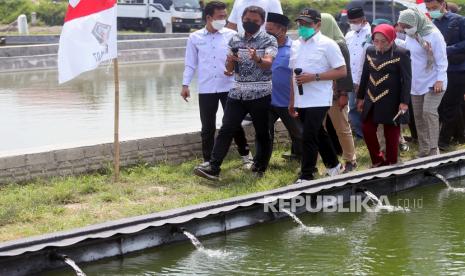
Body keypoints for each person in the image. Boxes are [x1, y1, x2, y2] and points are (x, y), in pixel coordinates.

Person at [194, 6, 278, 180]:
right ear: (242, 19)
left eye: (255, 21)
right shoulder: (235, 39)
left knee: (262, 132)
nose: (250, 23)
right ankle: (214, 167)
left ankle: (260, 167)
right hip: (237, 92)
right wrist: (230, 62)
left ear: (262, 22)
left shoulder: (268, 40)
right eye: (247, 20)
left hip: (260, 93)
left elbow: (268, 63)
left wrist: (257, 58)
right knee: (227, 128)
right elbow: (229, 69)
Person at [182, 1, 252, 170]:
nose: (224, 19)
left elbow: (241, 60)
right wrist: (185, 85)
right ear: (209, 17)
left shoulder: (232, 35)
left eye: (225, 16)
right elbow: (190, 64)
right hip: (206, 88)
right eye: (220, 16)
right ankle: (208, 160)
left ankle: (246, 156)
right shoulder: (195, 37)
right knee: (207, 126)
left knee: (233, 123)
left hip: (229, 87)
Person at [288, 8, 347, 181]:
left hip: (320, 98)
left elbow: (342, 71)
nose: (302, 26)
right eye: (300, 23)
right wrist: (291, 100)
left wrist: (314, 77)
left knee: (308, 136)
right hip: (301, 98)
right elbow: (293, 74)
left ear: (318, 25)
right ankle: (334, 165)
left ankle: (306, 175)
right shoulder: (296, 44)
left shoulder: (328, 44)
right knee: (318, 133)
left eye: (307, 23)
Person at [357, 24, 412, 166]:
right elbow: (365, 75)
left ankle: (392, 162)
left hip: (391, 98)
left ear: (392, 39)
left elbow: (407, 79)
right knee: (366, 128)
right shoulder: (370, 50)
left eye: (383, 41)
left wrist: (404, 102)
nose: (379, 45)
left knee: (391, 132)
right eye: (376, 41)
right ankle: (377, 160)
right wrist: (361, 97)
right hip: (371, 97)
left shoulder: (401, 53)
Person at [398, 8, 448, 157]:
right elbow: (409, 50)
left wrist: (440, 79)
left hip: (434, 81)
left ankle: (434, 149)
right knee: (418, 116)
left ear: (416, 22)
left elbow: (442, 60)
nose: (405, 30)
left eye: (407, 26)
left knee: (429, 112)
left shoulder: (434, 35)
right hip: (416, 82)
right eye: (403, 27)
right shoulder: (412, 35)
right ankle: (424, 149)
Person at [320, 13, 358, 172]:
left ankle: (350, 159)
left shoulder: (339, 44)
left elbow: (346, 71)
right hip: (319, 92)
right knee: (317, 129)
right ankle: (320, 162)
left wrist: (343, 94)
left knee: (341, 127)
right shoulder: (318, 43)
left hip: (336, 93)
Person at [425, 0, 465, 150]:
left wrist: (447, 50)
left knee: (451, 106)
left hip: (457, 69)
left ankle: (443, 141)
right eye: (429, 8)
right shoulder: (431, 24)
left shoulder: (459, 21)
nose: (432, 10)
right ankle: (458, 135)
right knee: (440, 106)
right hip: (438, 72)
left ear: (443, 4)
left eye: (434, 7)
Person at [265, 12, 303, 161]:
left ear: (283, 30)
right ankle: (262, 161)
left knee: (297, 132)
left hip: (287, 100)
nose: (267, 33)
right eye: (266, 30)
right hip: (267, 99)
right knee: (264, 131)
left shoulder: (294, 48)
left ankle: (301, 157)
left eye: (270, 30)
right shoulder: (265, 47)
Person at [345, 7, 371, 139]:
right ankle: (360, 134)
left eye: (356, 21)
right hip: (351, 79)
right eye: (351, 21)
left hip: (367, 79)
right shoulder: (349, 35)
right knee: (353, 107)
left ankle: (371, 132)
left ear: (363, 19)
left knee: (368, 107)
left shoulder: (372, 34)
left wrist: (361, 80)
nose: (353, 24)